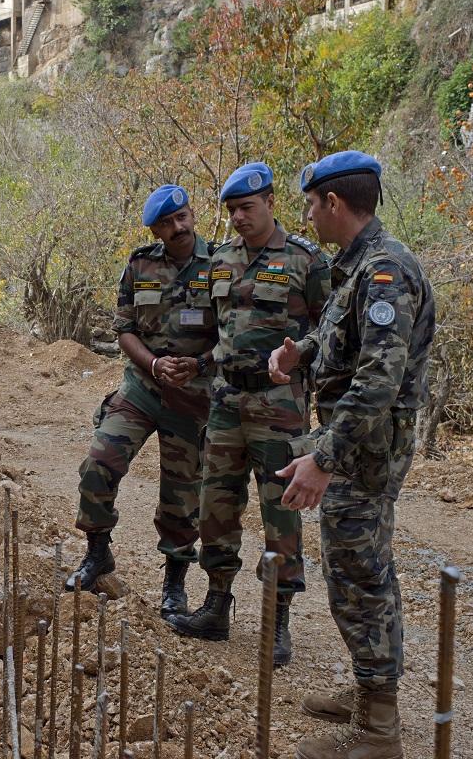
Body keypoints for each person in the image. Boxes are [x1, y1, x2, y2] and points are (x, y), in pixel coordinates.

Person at [269, 150, 435, 759]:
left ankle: (378, 729)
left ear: (334, 202)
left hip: (364, 449)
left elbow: (377, 381)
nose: (308, 216)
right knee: (357, 571)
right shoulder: (360, 265)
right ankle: (371, 693)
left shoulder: (386, 270)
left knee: (359, 577)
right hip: (356, 442)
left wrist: (324, 458)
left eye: (311, 205)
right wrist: (302, 351)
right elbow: (345, 336)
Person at [166, 162, 330, 668]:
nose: (238, 217)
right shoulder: (221, 259)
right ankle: (216, 605)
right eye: (232, 210)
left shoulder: (306, 260)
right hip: (225, 402)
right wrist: (197, 365)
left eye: (246, 207)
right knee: (215, 504)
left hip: (279, 405)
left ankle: (277, 620)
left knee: (280, 511)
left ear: (271, 203)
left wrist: (312, 384)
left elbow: (330, 333)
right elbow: (218, 333)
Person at [67, 184, 218, 624]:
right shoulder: (140, 265)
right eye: (167, 224)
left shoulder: (223, 264)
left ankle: (174, 583)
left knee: (182, 495)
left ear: (192, 215)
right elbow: (125, 329)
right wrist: (153, 364)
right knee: (99, 464)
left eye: (182, 217)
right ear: (155, 230)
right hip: (141, 390)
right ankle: (98, 554)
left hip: (193, 396)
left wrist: (199, 363)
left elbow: (235, 332)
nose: (178, 227)